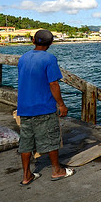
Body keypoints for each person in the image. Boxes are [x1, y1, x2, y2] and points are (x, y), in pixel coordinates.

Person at [17, 29, 74, 186]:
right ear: (51, 43)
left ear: (33, 40)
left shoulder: (23, 58)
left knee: (26, 142)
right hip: (43, 106)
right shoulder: (49, 59)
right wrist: (61, 105)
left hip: (24, 107)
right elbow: (53, 83)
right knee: (51, 138)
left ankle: (26, 175)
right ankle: (57, 170)